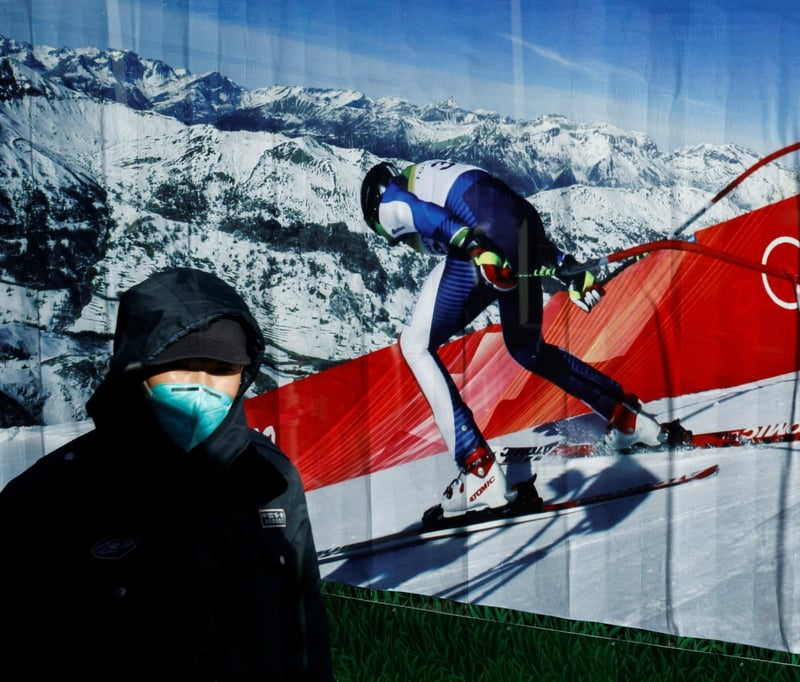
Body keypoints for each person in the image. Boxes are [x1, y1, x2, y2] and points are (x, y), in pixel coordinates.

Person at [0, 267, 334, 681]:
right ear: (136, 369)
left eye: (220, 369)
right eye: (180, 365)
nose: (200, 385)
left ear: (243, 376)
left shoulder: (270, 479)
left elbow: (304, 630)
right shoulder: (48, 496)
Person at [360, 159, 691, 519]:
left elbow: (422, 215)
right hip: (519, 230)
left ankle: (478, 471)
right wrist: (567, 267)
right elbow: (513, 217)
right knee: (526, 349)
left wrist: (475, 246)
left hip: (483, 239)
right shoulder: (434, 175)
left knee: (414, 345)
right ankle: (627, 418)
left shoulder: (389, 201)